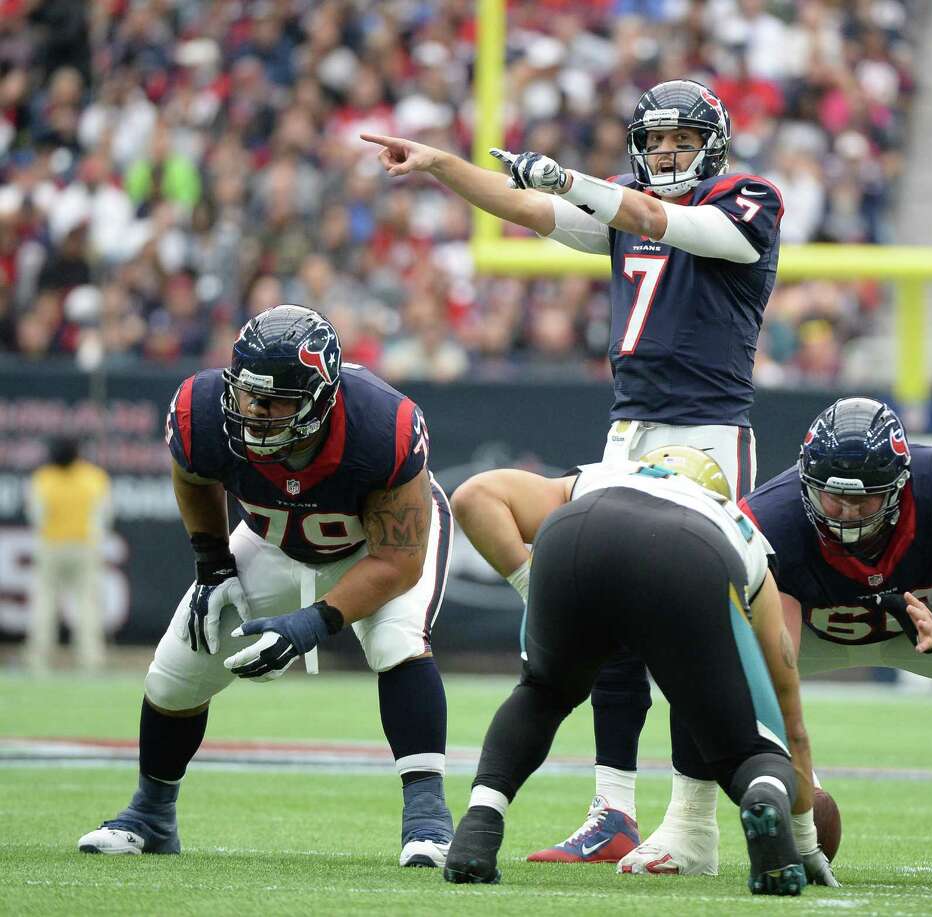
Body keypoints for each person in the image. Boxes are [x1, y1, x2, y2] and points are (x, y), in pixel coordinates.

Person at [363, 78, 784, 866]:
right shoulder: (622, 206)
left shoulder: (746, 199)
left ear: (712, 146)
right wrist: (439, 164)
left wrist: (572, 181)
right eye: (655, 139)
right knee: (540, 553)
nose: (665, 152)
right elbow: (529, 208)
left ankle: (695, 822)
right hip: (627, 433)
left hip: (706, 439)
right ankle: (610, 801)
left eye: (681, 140)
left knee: (698, 631)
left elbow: (658, 219)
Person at [77, 305, 457, 868]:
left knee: (396, 640)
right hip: (272, 541)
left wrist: (310, 623)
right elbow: (193, 475)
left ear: (322, 398)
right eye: (248, 394)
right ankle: (152, 814)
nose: (255, 411)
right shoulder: (203, 411)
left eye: (277, 400)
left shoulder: (383, 427)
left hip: (376, 548)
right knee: (176, 672)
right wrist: (213, 564)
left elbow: (399, 560)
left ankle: (428, 821)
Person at [445, 446, 836, 893]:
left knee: (541, 695)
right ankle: (763, 793)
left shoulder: (599, 476)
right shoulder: (740, 527)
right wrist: (805, 843)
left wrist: (530, 586)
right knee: (744, 751)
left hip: (575, 531)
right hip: (691, 555)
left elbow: (474, 497)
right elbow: (788, 710)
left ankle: (478, 827)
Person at [737, 396, 932, 885]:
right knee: (727, 663)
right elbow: (774, 676)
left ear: (901, 487)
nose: (846, 513)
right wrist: (798, 794)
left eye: (865, 500)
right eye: (833, 498)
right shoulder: (774, 519)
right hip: (814, 636)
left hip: (916, 632)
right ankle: (685, 828)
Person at [25, 437, 112, 674]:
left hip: (51, 545)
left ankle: (38, 660)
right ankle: (91, 659)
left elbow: (36, 515)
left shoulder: (43, 478)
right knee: (87, 604)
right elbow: (103, 516)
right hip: (84, 546)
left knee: (44, 602)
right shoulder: (94, 477)